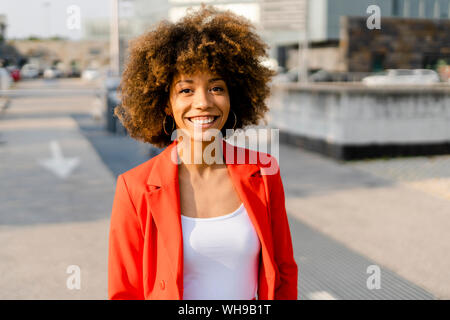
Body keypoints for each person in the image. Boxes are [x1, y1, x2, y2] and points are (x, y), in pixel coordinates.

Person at [108, 4, 298, 300]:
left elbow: (283, 270)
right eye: (186, 90)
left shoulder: (263, 171)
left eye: (217, 88)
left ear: (234, 96)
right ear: (165, 102)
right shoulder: (134, 188)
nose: (203, 102)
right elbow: (125, 291)